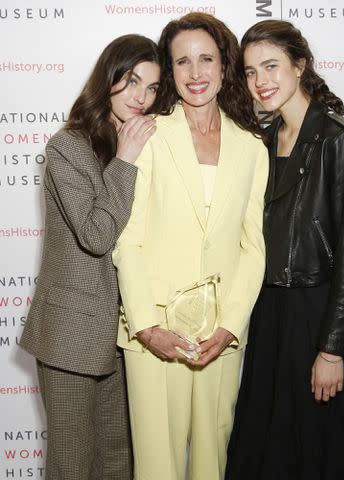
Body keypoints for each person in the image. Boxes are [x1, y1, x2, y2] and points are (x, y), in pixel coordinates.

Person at [112, 13, 268, 480]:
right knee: (157, 468)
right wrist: (145, 326)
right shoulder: (150, 136)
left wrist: (231, 325)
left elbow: (252, 248)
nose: (195, 74)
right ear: (170, 69)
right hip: (156, 332)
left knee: (211, 465)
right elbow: (128, 240)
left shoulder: (252, 147)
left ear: (225, 67)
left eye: (207, 60)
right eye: (182, 62)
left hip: (218, 337)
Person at [225, 20, 344, 480]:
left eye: (271, 66)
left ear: (300, 65)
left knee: (321, 450)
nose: (261, 82)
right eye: (251, 72)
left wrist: (333, 349)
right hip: (269, 313)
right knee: (266, 449)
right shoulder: (265, 140)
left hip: (316, 316)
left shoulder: (337, 138)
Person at [19, 34, 160, 480]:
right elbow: (96, 235)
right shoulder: (68, 147)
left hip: (124, 336)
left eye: (153, 87)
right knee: (74, 465)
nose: (142, 96)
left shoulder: (143, 143)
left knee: (120, 461)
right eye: (132, 80)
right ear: (108, 78)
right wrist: (127, 158)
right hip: (70, 336)